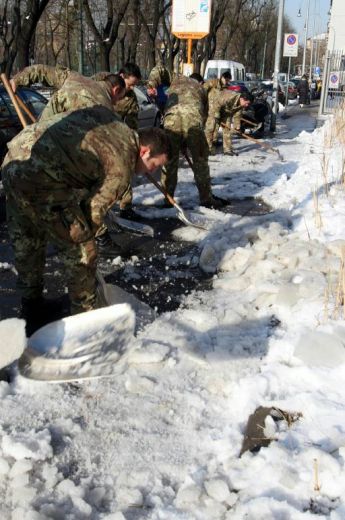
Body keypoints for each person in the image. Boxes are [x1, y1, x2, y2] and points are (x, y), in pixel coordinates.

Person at [2, 106, 171, 335]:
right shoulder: (122, 167)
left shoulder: (113, 121)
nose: (152, 172)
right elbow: (93, 213)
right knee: (84, 249)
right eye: (156, 165)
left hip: (15, 160)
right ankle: (86, 321)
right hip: (44, 179)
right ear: (144, 151)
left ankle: (31, 308)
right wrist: (79, 237)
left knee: (28, 238)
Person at [161, 72, 225, 209]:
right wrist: (191, 140)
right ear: (200, 82)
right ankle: (206, 198)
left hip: (171, 121)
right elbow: (205, 115)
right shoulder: (200, 89)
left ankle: (168, 199)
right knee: (200, 161)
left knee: (170, 162)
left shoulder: (175, 82)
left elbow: (165, 103)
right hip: (193, 121)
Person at [11, 64, 126, 119]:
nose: (116, 103)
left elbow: (42, 70)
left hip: (33, 139)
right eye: (119, 98)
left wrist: (17, 80)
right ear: (115, 90)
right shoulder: (107, 112)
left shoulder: (74, 77)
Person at [205, 91, 252, 155]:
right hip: (214, 107)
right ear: (242, 99)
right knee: (211, 128)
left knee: (227, 129)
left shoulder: (241, 104)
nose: (247, 105)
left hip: (226, 112)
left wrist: (237, 127)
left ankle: (227, 150)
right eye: (246, 103)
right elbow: (217, 103)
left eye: (248, 104)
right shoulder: (230, 97)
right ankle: (208, 149)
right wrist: (217, 116)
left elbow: (237, 115)